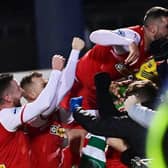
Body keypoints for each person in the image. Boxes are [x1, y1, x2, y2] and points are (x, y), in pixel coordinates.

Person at [60, 6, 168, 168]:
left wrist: (124, 81)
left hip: (95, 90)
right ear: (152, 29)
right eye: (167, 27)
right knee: (68, 135)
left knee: (92, 136)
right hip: (76, 84)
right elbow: (95, 35)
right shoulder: (134, 37)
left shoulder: (152, 51)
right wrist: (127, 43)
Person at [19, 37, 86, 168]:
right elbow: (63, 87)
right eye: (44, 85)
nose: (50, 86)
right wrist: (74, 52)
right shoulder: (32, 116)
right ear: (32, 95)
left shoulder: (56, 112)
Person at [70, 73, 158, 166]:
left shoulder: (131, 123)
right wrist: (102, 87)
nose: (124, 101)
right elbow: (112, 118)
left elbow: (97, 125)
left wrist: (76, 109)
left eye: (127, 98)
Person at [0, 55, 65, 168]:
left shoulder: (14, 119)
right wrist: (56, 72)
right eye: (17, 87)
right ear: (7, 97)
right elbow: (43, 104)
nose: (22, 90)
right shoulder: (5, 116)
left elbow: (44, 112)